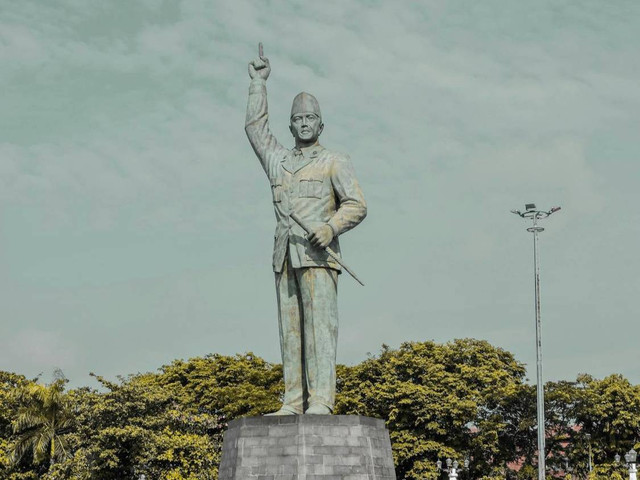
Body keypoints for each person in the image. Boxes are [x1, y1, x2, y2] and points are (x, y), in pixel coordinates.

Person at [245, 46, 367, 415]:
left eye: (310, 118)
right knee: (291, 332)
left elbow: (357, 204)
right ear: (291, 125)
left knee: (319, 331)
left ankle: (321, 402)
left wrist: (330, 228)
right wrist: (258, 84)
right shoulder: (278, 161)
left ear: (320, 125)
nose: (303, 123)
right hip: (285, 255)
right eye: (297, 118)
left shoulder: (335, 161)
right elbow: (255, 129)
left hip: (317, 257)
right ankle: (293, 400)